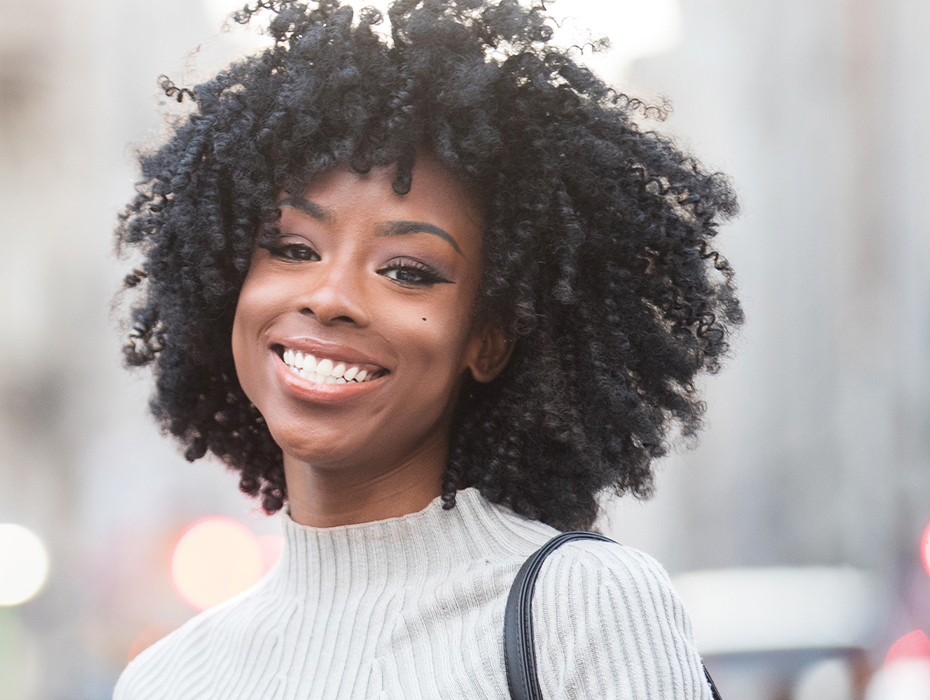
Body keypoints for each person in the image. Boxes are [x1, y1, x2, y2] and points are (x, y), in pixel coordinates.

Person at [111, 0, 739, 698]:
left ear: (489, 341)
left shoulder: (582, 606)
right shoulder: (165, 681)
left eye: (407, 270)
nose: (330, 297)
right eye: (292, 249)